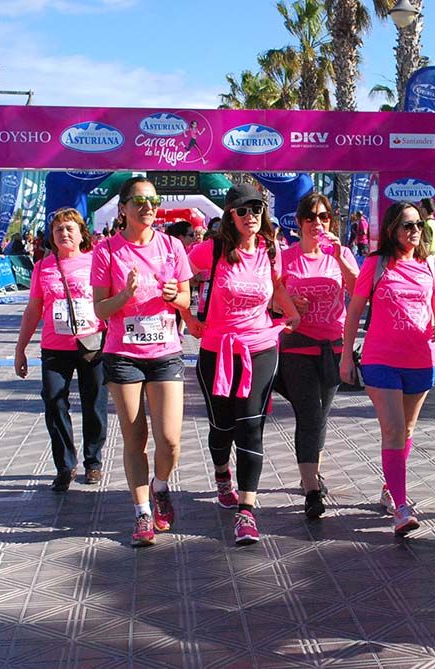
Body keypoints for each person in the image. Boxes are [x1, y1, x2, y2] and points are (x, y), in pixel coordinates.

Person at [183, 183, 301, 545]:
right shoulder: (211, 252)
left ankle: (246, 513)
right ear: (230, 215)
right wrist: (189, 318)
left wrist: (292, 312)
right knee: (222, 427)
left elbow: (277, 286)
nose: (252, 216)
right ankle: (222, 474)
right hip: (217, 351)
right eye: (243, 210)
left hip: (261, 348)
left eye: (257, 209)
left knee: (251, 426)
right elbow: (177, 277)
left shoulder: (270, 251)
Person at [91, 176, 193, 548]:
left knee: (170, 441)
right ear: (123, 209)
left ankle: (160, 486)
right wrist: (126, 295)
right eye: (139, 201)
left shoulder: (171, 247)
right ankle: (142, 513)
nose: (148, 207)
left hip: (165, 352)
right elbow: (100, 308)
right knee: (136, 438)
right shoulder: (107, 251)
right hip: (123, 355)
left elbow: (185, 299)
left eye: (153, 201)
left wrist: (175, 296)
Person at [340, 202, 435, 536]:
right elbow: (355, 312)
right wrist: (346, 355)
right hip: (380, 359)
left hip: (421, 359)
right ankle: (401, 507)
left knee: (406, 430)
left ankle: (391, 487)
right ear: (391, 229)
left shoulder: (428, 263)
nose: (414, 231)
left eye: (418, 225)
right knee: (392, 429)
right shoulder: (376, 264)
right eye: (407, 225)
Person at [15, 208, 108, 492]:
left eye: (70, 228)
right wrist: (20, 349)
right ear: (52, 237)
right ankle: (65, 464)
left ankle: (93, 462)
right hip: (55, 347)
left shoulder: (95, 261)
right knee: (54, 402)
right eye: (58, 230)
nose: (64, 233)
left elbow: (111, 300)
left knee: (94, 405)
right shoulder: (44, 266)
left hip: (92, 343)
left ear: (82, 234)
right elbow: (33, 309)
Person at [278, 192, 359, 519]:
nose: (317, 223)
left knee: (320, 417)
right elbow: (271, 297)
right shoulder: (286, 257)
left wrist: (340, 257)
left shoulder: (341, 254)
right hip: (297, 346)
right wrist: (288, 307)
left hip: (333, 347)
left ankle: (311, 470)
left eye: (323, 217)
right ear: (298, 223)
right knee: (310, 415)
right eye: (310, 217)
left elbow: (359, 291)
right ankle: (312, 490)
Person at [419, 197, 435, 275]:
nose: (419, 209)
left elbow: (426, 246)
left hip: (428, 267)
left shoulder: (427, 225)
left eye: (420, 207)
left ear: (424, 209)